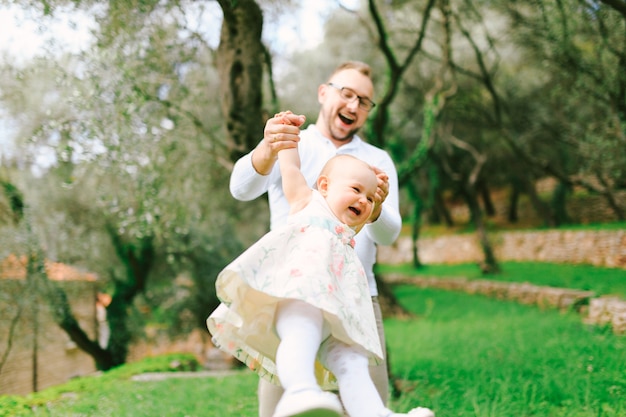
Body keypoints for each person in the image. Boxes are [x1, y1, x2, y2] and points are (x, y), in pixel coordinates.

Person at [227, 61, 431, 416]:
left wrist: (375, 206)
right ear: (324, 93)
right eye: (346, 94)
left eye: (364, 101)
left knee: (360, 377)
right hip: (296, 286)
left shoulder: (377, 162)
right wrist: (270, 147)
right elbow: (240, 189)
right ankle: (301, 394)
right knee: (285, 394)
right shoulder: (295, 145)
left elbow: (390, 233)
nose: (353, 105)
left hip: (356, 293)